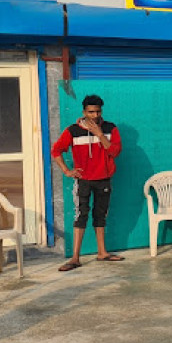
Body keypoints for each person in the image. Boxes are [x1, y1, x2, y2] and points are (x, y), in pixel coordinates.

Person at [51, 95, 124, 272]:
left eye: (98, 111)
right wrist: (67, 171)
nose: (95, 115)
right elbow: (56, 150)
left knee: (101, 215)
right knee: (81, 215)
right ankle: (75, 258)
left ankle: (102, 253)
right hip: (83, 180)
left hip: (104, 179)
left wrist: (100, 135)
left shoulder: (109, 128)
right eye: (91, 112)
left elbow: (115, 152)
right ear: (84, 112)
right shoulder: (73, 130)